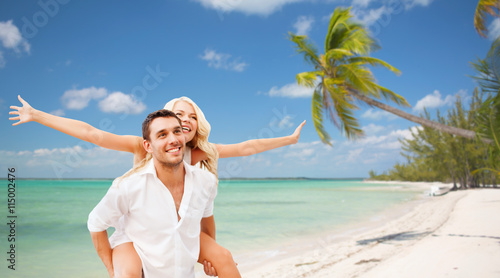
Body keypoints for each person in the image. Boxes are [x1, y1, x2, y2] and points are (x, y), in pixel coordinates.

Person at [9, 95, 306, 277]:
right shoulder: (146, 146)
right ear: (152, 142)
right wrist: (37, 116)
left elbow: (246, 148)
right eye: (179, 115)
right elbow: (93, 134)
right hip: (138, 230)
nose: (186, 120)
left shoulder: (202, 156)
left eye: (191, 116)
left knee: (223, 257)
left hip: (176, 227)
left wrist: (288, 140)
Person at [88, 109, 218, 277]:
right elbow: (96, 223)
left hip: (183, 271)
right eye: (162, 135)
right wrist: (112, 271)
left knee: (225, 258)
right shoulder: (128, 186)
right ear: (148, 146)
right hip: (140, 262)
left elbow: (207, 218)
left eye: (176, 131)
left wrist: (211, 256)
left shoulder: (205, 181)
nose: (173, 139)